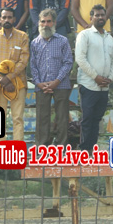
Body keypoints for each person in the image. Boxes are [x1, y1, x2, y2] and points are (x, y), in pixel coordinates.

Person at [74, 4, 113, 151]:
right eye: (97, 15)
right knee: (87, 119)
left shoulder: (109, 38)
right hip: (89, 85)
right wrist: (96, 77)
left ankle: (92, 150)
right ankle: (84, 151)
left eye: (102, 15)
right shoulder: (85, 35)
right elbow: (80, 59)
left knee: (97, 119)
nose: (100, 17)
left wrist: (110, 78)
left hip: (104, 86)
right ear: (91, 18)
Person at [30, 9, 73, 147]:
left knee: (62, 117)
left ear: (54, 23)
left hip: (61, 84)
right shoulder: (34, 43)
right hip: (42, 86)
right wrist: (38, 83)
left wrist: (56, 81)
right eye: (43, 21)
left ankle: (61, 147)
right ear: (39, 23)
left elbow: (68, 62)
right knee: (42, 118)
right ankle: (42, 147)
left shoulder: (63, 41)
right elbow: (33, 66)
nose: (45, 25)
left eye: (49, 21)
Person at [0, 8, 30, 142]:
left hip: (18, 82)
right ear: (0, 20)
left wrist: (8, 78)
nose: (7, 20)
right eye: (4, 17)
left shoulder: (23, 36)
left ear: (14, 19)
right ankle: (1, 151)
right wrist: (3, 80)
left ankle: (18, 151)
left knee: (18, 118)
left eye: (9, 17)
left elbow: (23, 61)